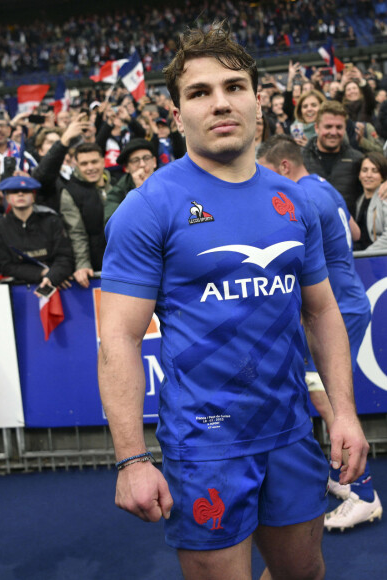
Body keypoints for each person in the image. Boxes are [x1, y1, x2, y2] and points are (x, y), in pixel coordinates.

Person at [98, 21, 368, 580]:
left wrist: (343, 410)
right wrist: (131, 458)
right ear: (177, 116)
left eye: (234, 86)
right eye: (199, 92)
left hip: (292, 433)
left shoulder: (296, 201)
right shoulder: (148, 209)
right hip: (205, 447)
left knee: (306, 574)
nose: (220, 103)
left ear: (257, 103)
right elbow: (119, 337)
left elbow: (321, 310)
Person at [257, 134, 382, 531]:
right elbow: (355, 234)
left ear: (282, 167)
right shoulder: (324, 188)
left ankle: (363, 492)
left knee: (327, 400)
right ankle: (345, 478)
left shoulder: (299, 199)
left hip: (333, 309)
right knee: (323, 394)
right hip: (346, 299)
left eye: (263, 171)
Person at [0, 175, 74, 294]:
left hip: (61, 284)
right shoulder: (0, 227)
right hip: (23, 290)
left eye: (26, 191)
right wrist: (42, 273)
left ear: (33, 196)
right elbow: (6, 266)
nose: (20, 194)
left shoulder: (51, 220)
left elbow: (64, 256)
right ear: (7, 198)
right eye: (14, 192)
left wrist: (53, 276)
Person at [59, 143, 111, 288]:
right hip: (96, 265)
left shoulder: (117, 184)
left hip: (126, 262)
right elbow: (76, 233)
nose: (90, 168)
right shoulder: (70, 191)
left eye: (94, 162)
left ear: (103, 161)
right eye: (84, 164)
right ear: (76, 165)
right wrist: (82, 264)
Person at [302, 100, 364, 216]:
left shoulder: (358, 159)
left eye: (339, 127)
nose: (334, 132)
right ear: (316, 127)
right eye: (328, 126)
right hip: (311, 231)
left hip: (348, 230)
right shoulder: (300, 159)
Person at [104, 138, 157, 223]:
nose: (142, 164)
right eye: (135, 160)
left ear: (154, 162)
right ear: (126, 168)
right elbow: (113, 223)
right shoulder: (117, 193)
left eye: (146, 158)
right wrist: (139, 193)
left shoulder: (169, 183)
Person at [354, 151, 387, 252]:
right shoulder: (359, 201)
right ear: (359, 175)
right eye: (364, 170)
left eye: (375, 171)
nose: (369, 175)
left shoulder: (384, 198)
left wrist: (366, 256)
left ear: (382, 176)